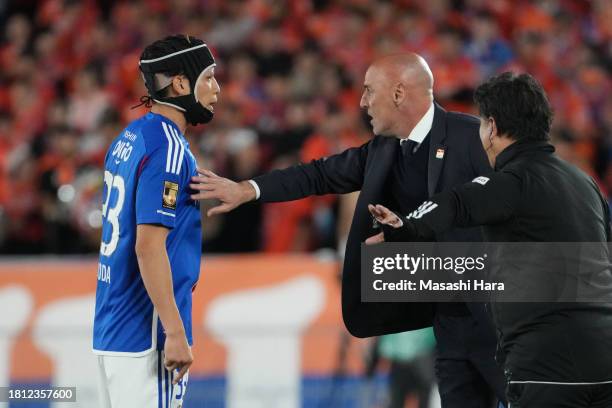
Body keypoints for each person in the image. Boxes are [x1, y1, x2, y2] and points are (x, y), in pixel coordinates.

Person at [190, 53, 507, 407]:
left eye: (370, 91)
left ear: (399, 94)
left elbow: (526, 196)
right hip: (447, 324)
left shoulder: (474, 138)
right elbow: (318, 174)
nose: (362, 102)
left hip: (500, 320)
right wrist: (247, 189)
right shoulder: (385, 150)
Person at [368, 72, 612, 407]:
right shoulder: (585, 183)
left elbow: (454, 203)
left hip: (547, 364)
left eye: (482, 124)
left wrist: (403, 228)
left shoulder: (511, 181)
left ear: (493, 128)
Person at [92, 34, 220, 407]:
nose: (217, 88)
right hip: (147, 332)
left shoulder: (130, 136)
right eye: (209, 77)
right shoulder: (169, 148)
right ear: (181, 83)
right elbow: (148, 247)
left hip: (112, 329)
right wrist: (175, 331)